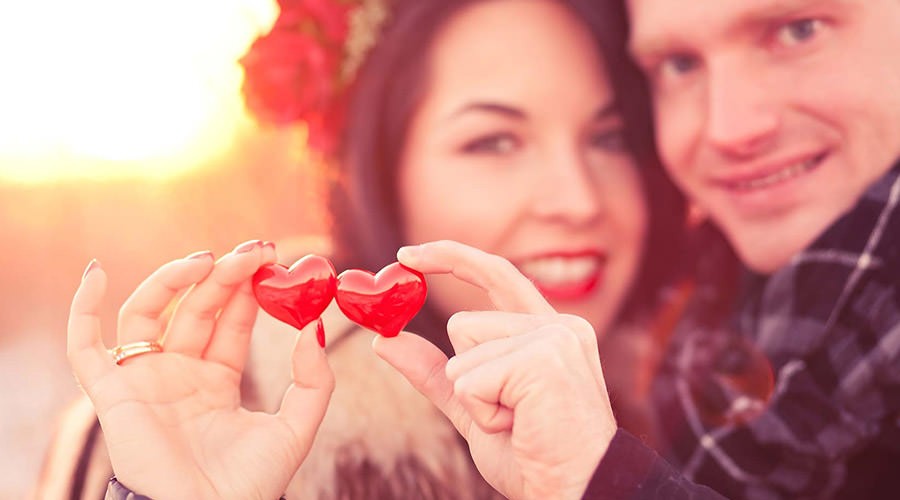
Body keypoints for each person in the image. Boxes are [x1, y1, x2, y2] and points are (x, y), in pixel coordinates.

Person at [37, 0, 705, 498]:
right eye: (494, 142)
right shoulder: (207, 421)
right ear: (382, 173)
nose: (580, 199)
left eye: (610, 138)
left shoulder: (717, 401)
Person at [374, 0, 900, 498]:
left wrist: (601, 480)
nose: (729, 130)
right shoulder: (697, 319)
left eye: (798, 30)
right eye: (679, 63)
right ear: (380, 169)